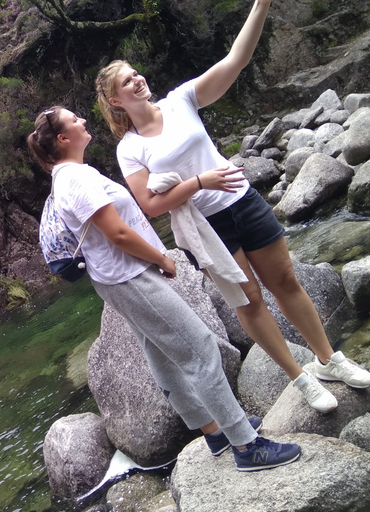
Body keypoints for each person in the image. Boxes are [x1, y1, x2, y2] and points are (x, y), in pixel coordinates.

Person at [95, 0, 370, 414]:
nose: (137, 81)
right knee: (250, 301)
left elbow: (236, 60)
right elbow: (151, 206)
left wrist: (261, 5)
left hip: (243, 199)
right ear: (115, 101)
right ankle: (300, 378)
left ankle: (331, 361)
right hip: (207, 227)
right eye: (126, 82)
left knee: (287, 282)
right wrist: (199, 182)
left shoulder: (181, 99)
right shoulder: (130, 150)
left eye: (136, 73)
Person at [28, 106, 301, 471]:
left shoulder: (71, 175)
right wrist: (161, 258)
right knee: (201, 348)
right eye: (74, 120)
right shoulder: (75, 180)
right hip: (130, 276)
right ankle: (247, 446)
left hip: (118, 278)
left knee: (159, 352)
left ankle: (214, 430)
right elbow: (118, 233)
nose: (82, 121)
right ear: (63, 139)